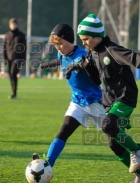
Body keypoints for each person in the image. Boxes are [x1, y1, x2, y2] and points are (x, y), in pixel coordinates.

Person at [70, 13, 140, 183]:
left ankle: (138, 149)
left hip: (125, 97)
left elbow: (134, 57)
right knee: (114, 144)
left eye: (86, 39)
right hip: (109, 102)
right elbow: (98, 80)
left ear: (97, 36)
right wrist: (83, 67)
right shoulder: (93, 53)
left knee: (108, 126)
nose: (84, 43)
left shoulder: (112, 50)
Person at [32, 23, 105, 171]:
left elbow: (97, 80)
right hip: (77, 103)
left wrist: (81, 66)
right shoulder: (62, 54)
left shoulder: (83, 56)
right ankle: (47, 164)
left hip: (96, 104)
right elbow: (61, 61)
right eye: (56, 45)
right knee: (64, 130)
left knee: (115, 138)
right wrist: (46, 64)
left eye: (60, 44)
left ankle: (138, 158)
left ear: (70, 41)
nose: (58, 48)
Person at [3, 18, 26, 99]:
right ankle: (13, 92)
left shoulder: (21, 35)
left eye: (14, 24)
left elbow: (24, 48)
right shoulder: (7, 35)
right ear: (10, 25)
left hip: (17, 59)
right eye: (11, 24)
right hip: (9, 58)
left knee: (13, 73)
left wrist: (23, 59)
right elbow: (4, 48)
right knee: (11, 75)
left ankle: (14, 93)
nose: (13, 26)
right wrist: (4, 58)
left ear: (17, 25)